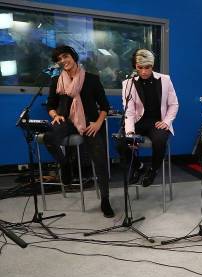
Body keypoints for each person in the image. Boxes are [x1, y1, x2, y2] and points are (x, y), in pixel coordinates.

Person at [44, 45, 114, 218]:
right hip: (66, 121)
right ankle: (65, 164)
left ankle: (105, 199)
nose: (63, 61)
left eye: (65, 56)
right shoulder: (57, 81)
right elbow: (50, 105)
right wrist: (55, 115)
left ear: (73, 56)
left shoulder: (92, 79)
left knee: (100, 160)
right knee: (48, 138)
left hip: (89, 123)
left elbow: (105, 106)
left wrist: (98, 123)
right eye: (59, 59)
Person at [118, 49, 179, 187]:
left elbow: (174, 104)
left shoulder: (165, 80)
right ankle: (138, 167)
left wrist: (167, 122)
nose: (144, 71)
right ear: (135, 67)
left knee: (159, 141)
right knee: (121, 142)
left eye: (148, 67)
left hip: (157, 122)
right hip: (138, 121)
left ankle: (153, 170)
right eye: (140, 68)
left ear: (152, 66)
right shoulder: (128, 83)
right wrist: (130, 132)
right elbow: (129, 111)